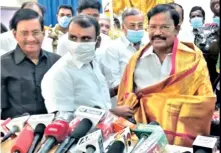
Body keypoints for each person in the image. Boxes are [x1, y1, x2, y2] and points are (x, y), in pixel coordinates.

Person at [117, 4, 215, 147]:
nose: (157, 32)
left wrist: (163, 104)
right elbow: (124, 100)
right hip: (142, 139)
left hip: (181, 141)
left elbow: (204, 101)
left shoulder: (193, 58)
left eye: (164, 27)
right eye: (152, 27)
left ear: (177, 29)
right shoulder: (135, 61)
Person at [41, 15, 133, 118]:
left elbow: (93, 96)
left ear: (97, 42)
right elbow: (62, 119)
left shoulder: (91, 61)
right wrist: (111, 113)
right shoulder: (59, 73)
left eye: (85, 39)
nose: (77, 44)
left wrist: (118, 89)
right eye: (73, 38)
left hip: (105, 130)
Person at [1, 9, 60, 119]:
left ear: (43, 32)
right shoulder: (3, 65)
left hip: (53, 131)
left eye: (35, 32)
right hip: (16, 132)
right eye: (24, 33)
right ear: (15, 34)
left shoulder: (57, 63)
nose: (31, 39)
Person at [102, 8, 149, 100]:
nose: (136, 29)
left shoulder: (148, 43)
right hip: (125, 100)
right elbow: (113, 81)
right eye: (132, 25)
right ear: (123, 27)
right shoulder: (113, 48)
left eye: (140, 25)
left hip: (150, 98)